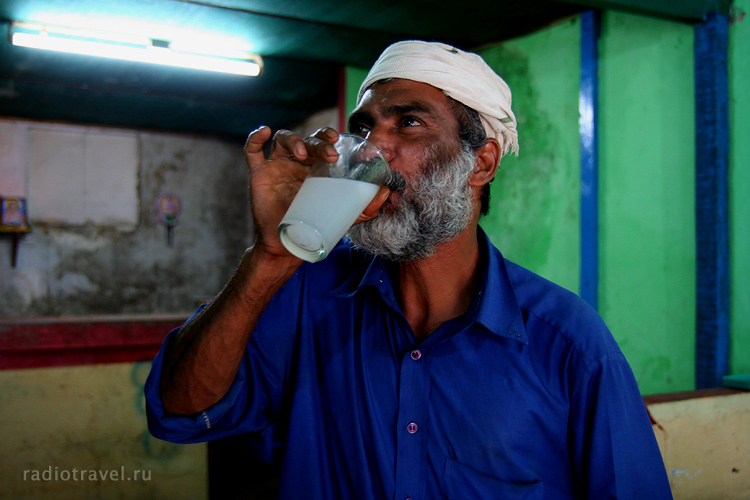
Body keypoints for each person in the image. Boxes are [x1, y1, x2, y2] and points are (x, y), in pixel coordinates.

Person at [145, 40, 673, 499]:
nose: (374, 148)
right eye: (364, 128)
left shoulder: (569, 343)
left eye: (410, 123)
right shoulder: (308, 292)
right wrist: (270, 257)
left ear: (482, 163)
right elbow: (178, 410)